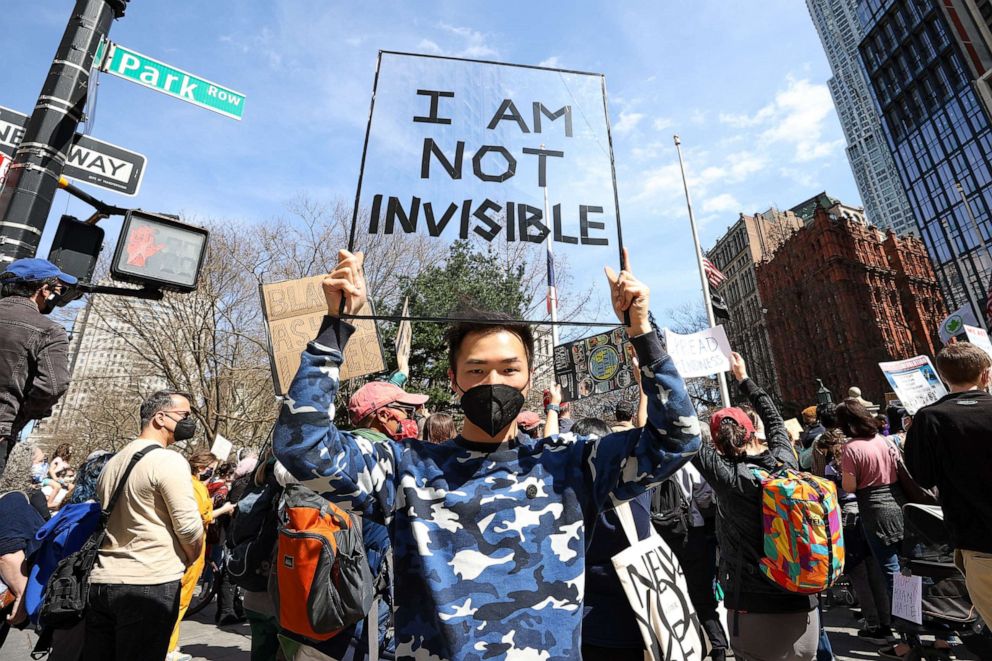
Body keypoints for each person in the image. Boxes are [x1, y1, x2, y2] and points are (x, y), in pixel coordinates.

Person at [273, 248, 700, 659]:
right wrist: (336, 328)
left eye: (509, 369)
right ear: (454, 379)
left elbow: (677, 439)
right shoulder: (407, 470)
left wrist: (643, 333)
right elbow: (303, 446)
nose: (493, 381)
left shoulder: (570, 465)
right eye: (477, 370)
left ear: (529, 378)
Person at [692, 352, 820, 661]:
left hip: (753, 605)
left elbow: (684, 428)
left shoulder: (730, 479)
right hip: (805, 603)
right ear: (753, 432)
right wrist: (743, 378)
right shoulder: (785, 460)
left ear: (717, 444)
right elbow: (775, 419)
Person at [83, 391, 205, 661]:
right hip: (149, 583)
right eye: (185, 415)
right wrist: (192, 556)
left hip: (103, 581)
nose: (190, 422)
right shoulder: (168, 460)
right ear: (160, 418)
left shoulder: (113, 462)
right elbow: (188, 528)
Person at [905, 343, 992, 627]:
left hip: (978, 542)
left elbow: (923, 477)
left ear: (944, 378)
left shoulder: (929, 418)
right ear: (985, 374)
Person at [571, 417, 652, 660]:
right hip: (631, 618)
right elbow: (652, 439)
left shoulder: (566, 501)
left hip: (583, 623)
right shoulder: (636, 492)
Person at [25, 451, 114, 661]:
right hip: (69, 609)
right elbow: (77, 567)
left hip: (47, 603)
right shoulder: (89, 518)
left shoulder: (73, 511)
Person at [837, 398, 906, 658]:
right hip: (898, 505)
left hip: (874, 510)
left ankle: (904, 638)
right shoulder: (884, 440)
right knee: (909, 570)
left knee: (891, 574)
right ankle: (930, 631)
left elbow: (850, 487)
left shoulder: (851, 448)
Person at [0, 258, 75, 475]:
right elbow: (53, 385)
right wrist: (22, 415)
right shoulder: (49, 331)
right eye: (58, 289)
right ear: (43, 289)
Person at [167, 450, 235, 661]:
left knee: (182, 599)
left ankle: (171, 644)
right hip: (191, 549)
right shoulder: (193, 487)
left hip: (197, 546)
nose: (212, 473)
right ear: (201, 468)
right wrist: (223, 510)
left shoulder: (196, 485)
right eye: (211, 469)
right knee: (179, 601)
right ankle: (168, 647)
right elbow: (200, 516)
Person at [0, 440, 47, 649]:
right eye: (41, 461)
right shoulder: (15, 500)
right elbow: (8, 554)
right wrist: (21, 594)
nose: (44, 467)